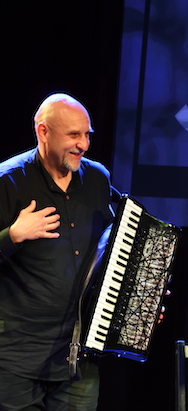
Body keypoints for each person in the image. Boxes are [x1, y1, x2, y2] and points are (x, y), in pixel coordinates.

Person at [0, 93, 113, 410]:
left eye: (87, 134)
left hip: (79, 357)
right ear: (43, 132)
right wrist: (13, 235)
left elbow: (110, 248)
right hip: (16, 361)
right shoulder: (8, 182)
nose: (84, 144)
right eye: (74, 135)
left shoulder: (97, 179)